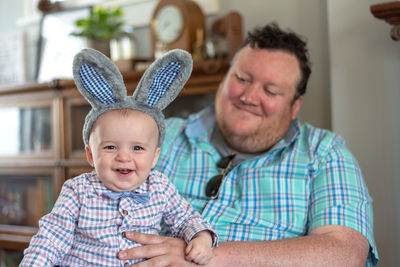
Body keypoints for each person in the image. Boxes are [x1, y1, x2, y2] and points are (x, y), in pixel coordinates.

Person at [117, 23, 379, 266]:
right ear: (224, 79)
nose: (249, 97)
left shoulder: (325, 153)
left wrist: (205, 257)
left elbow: (345, 252)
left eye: (271, 91)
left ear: (295, 106)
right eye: (241, 79)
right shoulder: (160, 135)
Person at [20, 49, 217, 266]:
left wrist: (202, 238)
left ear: (154, 157)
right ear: (91, 155)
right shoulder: (78, 191)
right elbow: (51, 238)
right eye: (111, 146)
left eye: (138, 148)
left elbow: (186, 219)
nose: (124, 157)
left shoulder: (159, 188)